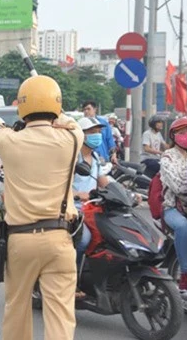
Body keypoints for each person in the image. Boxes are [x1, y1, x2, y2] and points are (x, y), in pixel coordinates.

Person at [0, 76, 82, 340]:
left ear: (21, 107)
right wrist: (54, 108)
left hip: (21, 240)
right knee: (61, 317)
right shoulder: (73, 140)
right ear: (56, 105)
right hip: (60, 239)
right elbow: (68, 120)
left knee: (17, 309)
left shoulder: (10, 141)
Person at [72, 117, 111, 297]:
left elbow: (103, 181)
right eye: (92, 132)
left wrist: (123, 192)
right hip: (75, 208)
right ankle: (72, 281)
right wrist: (77, 194)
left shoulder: (95, 157)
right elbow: (61, 184)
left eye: (98, 132)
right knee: (84, 240)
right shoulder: (72, 157)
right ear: (81, 135)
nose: (97, 136)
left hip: (94, 208)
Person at [160, 117, 187, 293]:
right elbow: (178, 186)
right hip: (174, 208)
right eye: (182, 133)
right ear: (173, 136)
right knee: (183, 227)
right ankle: (185, 273)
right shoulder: (168, 158)